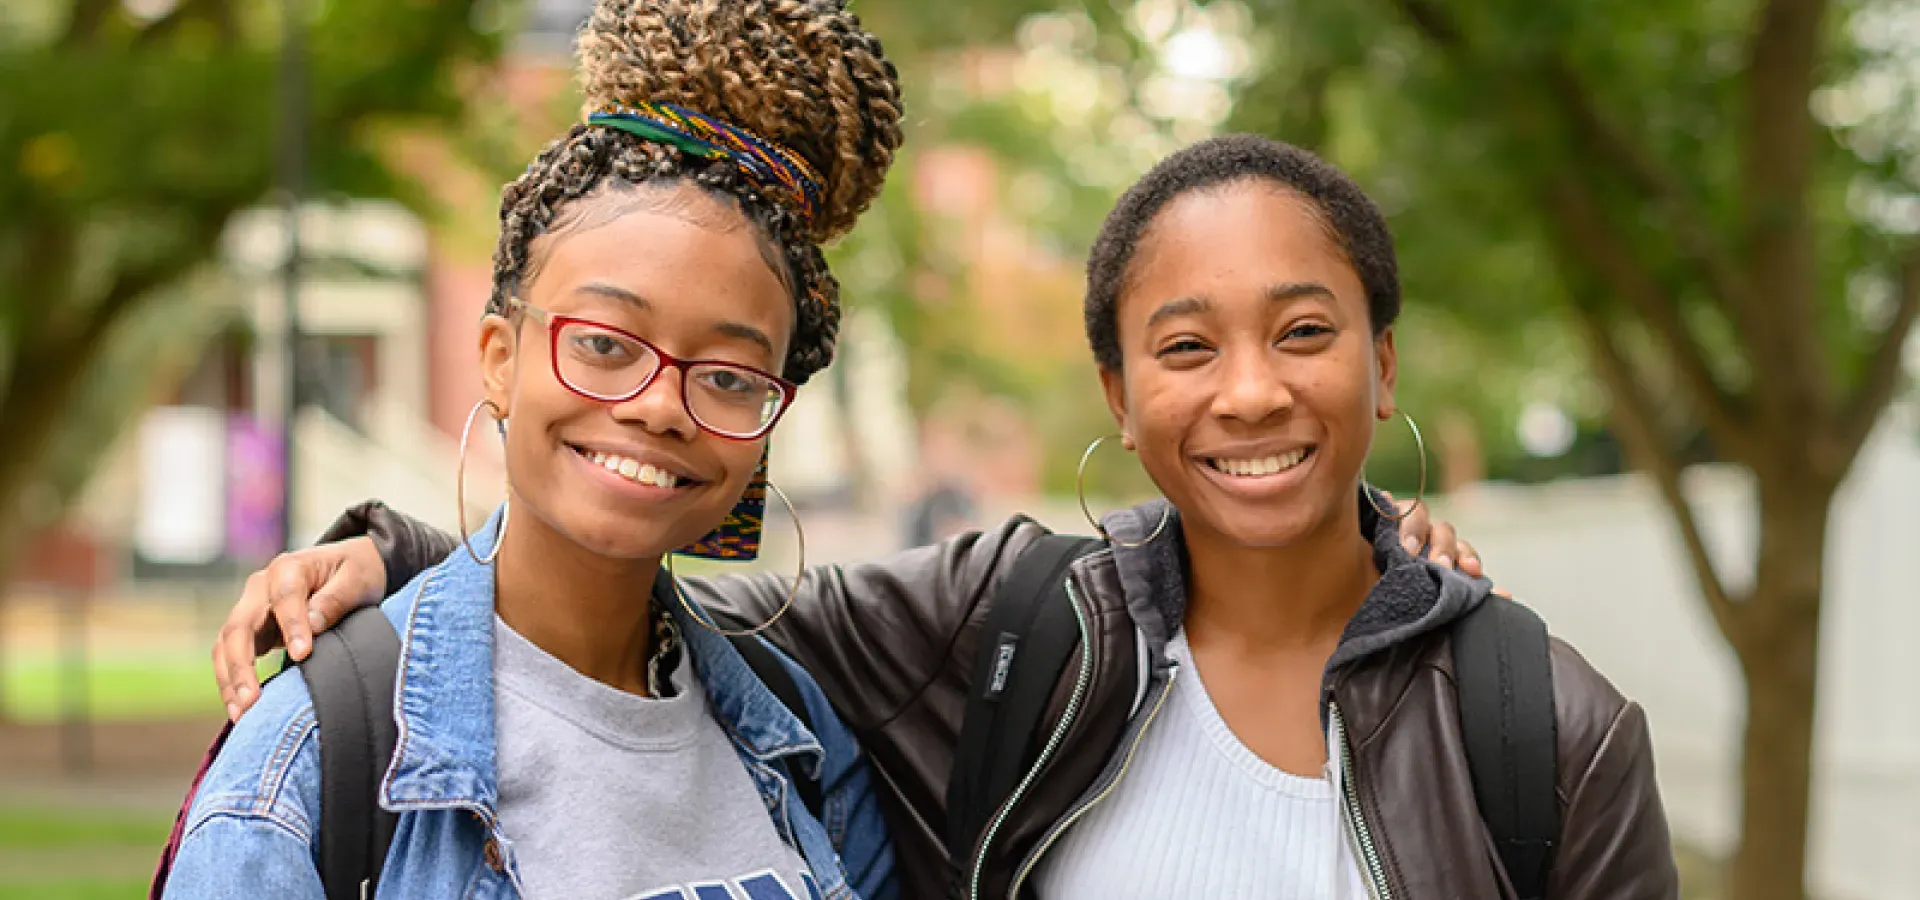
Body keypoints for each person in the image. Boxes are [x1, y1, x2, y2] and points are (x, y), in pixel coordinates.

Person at [214, 137, 1676, 898]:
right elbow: (642, 573)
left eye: (1305, 333)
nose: (1250, 394)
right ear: (1114, 389)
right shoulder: (1021, 627)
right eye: (1184, 347)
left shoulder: (1543, 730)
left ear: (1382, 361)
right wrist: (399, 554)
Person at [156, 1, 905, 898]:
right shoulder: (310, 765)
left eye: (728, 374)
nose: (662, 405)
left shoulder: (801, 736)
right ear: (500, 360)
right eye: (603, 344)